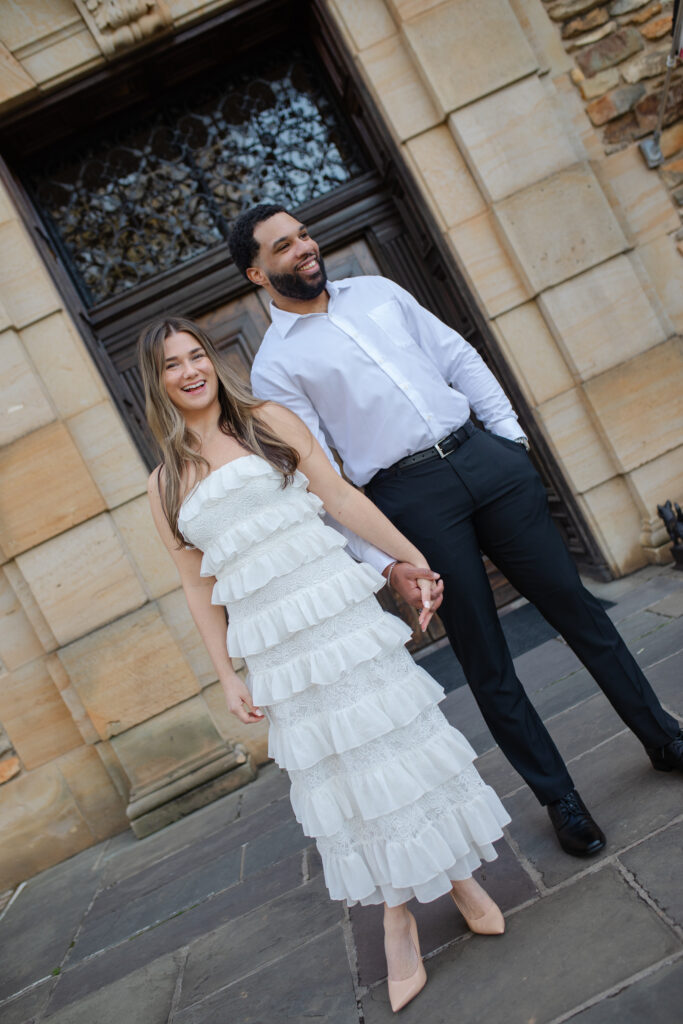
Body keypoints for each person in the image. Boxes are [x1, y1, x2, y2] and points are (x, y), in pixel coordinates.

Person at [227, 203, 683, 859]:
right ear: (255, 272)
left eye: (302, 235)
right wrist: (380, 560)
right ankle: (560, 799)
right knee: (484, 657)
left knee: (577, 608)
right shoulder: (275, 367)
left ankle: (662, 737)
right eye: (283, 247)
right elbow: (322, 481)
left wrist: (511, 444)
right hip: (409, 500)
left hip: (481, 458)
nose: (303, 248)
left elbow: (457, 356)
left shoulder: (378, 293)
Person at [139, 315, 511, 1013]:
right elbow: (197, 589)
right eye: (171, 364)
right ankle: (397, 917)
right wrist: (226, 675)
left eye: (197, 356)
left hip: (336, 617)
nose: (190, 371)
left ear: (213, 361)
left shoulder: (268, 422)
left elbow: (341, 500)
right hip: (276, 648)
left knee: (393, 747)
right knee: (342, 776)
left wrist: (412, 558)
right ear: (154, 381)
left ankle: (454, 881)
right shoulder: (163, 485)